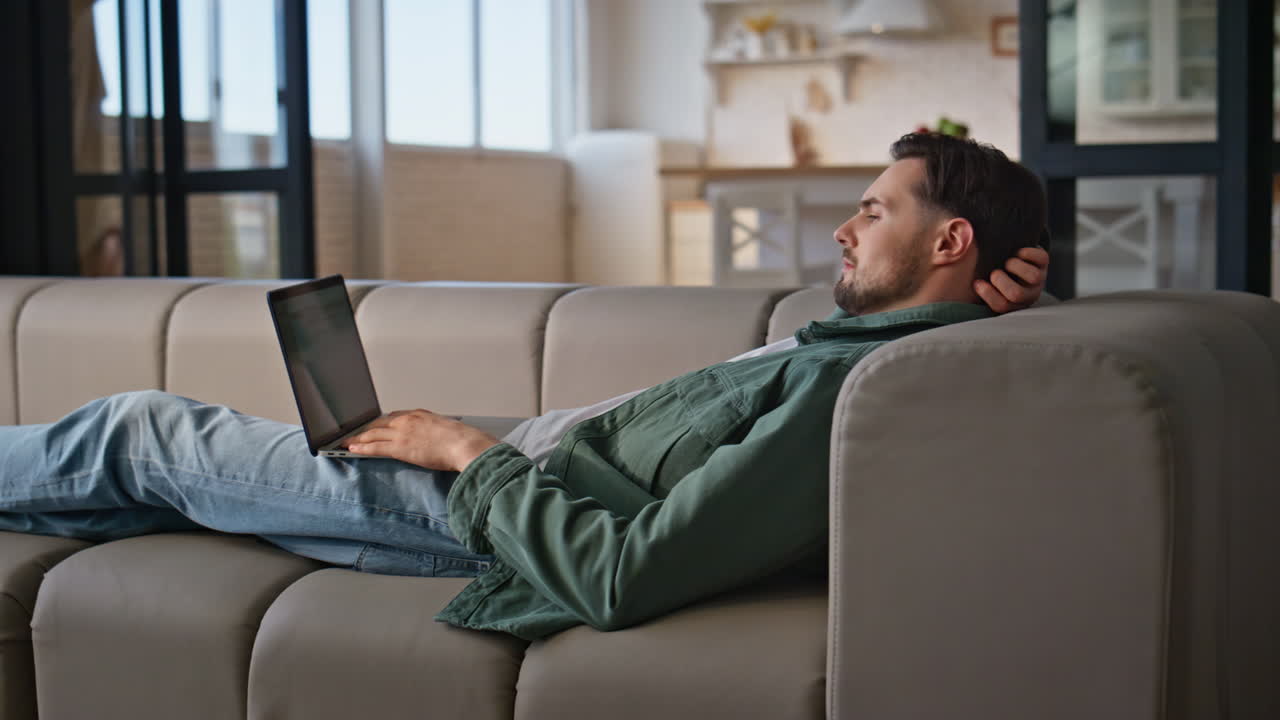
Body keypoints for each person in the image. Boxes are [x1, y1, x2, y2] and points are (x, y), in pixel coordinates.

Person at [0, 133, 1049, 640]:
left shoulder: (849, 394)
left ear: (947, 240)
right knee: (157, 483)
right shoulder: (888, 348)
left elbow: (624, 576)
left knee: (139, 433)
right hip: (531, 461)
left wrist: (466, 455)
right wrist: (1014, 291)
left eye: (872, 210)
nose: (842, 225)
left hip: (484, 504)